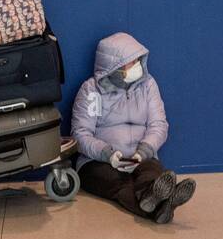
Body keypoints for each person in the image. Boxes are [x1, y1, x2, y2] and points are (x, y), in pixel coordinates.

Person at [70, 32, 195, 223]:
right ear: (114, 67)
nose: (137, 65)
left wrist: (144, 151)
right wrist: (107, 154)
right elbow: (80, 134)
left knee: (151, 174)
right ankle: (164, 205)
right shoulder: (91, 90)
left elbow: (158, 124)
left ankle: (155, 195)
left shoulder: (148, 85)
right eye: (131, 62)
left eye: (138, 60)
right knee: (119, 184)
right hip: (98, 161)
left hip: (140, 157)